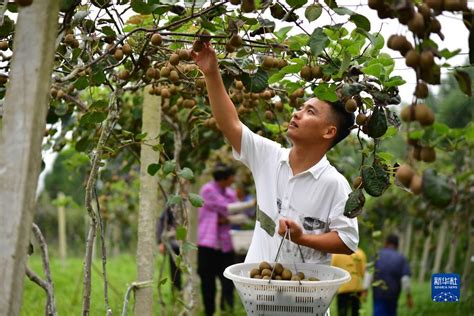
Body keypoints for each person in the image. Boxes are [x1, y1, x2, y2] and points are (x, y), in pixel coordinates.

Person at [191, 42, 358, 267]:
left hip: (306, 297)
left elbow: (347, 241)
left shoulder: (334, 183)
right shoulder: (268, 157)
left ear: (329, 132)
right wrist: (211, 73)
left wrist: (303, 239)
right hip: (257, 292)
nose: (297, 114)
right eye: (301, 107)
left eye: (310, 112)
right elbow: (230, 123)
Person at [197, 163, 255, 316]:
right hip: (208, 244)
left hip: (225, 245)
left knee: (227, 280)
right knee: (207, 281)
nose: (233, 179)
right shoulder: (208, 190)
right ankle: (209, 311)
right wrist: (251, 203)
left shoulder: (229, 193)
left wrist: (227, 220)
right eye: (232, 177)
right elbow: (228, 209)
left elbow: (239, 217)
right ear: (225, 178)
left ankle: (226, 311)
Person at [369, 234, 413, 316]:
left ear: (386, 243)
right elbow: (405, 279)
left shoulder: (376, 255)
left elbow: (369, 273)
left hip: (379, 294)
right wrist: (408, 296)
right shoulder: (401, 258)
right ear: (397, 245)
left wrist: (365, 289)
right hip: (393, 295)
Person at [331, 248, 367, 316]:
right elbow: (363, 272)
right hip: (357, 288)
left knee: (342, 312)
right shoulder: (360, 253)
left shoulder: (336, 254)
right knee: (355, 311)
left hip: (342, 288)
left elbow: (332, 272)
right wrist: (365, 288)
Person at [156, 206, 181, 291]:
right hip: (175, 242)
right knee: (175, 268)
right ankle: (177, 290)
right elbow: (162, 222)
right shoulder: (172, 205)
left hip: (194, 242)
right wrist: (160, 242)